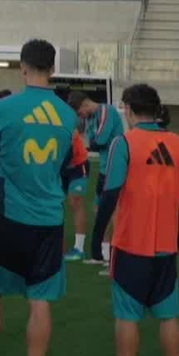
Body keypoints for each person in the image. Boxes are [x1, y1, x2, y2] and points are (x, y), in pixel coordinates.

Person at [0, 39, 86, 356]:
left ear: (22, 67)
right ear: (52, 69)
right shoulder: (67, 116)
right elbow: (65, 163)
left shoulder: (4, 108)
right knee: (40, 301)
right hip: (49, 220)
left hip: (10, 217)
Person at [88, 84, 179, 356]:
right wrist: (177, 234)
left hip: (131, 244)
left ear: (130, 110)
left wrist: (96, 238)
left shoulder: (125, 142)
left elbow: (110, 193)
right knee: (169, 316)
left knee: (127, 316)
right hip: (165, 246)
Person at [79, 91, 127, 266]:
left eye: (79, 112)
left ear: (85, 104)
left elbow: (99, 141)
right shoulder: (92, 118)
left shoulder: (106, 110)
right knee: (98, 209)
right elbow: (93, 142)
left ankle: (116, 253)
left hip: (113, 169)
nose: (80, 116)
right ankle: (103, 253)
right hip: (104, 168)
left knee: (113, 211)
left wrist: (91, 144)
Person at [62, 91, 94, 263]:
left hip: (77, 164)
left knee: (75, 201)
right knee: (55, 203)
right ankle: (55, 242)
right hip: (60, 167)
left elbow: (69, 149)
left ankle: (79, 248)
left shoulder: (70, 122)